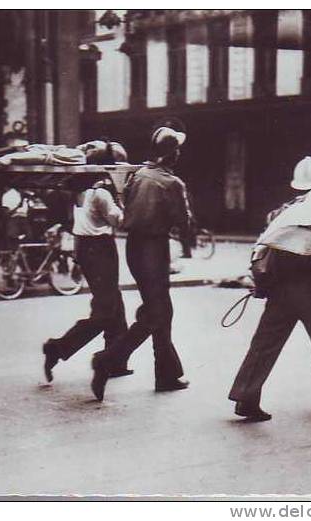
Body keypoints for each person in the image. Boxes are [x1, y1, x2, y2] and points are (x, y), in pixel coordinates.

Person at [228, 156, 311, 421]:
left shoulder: (280, 213)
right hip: (307, 286)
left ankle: (245, 396)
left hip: (279, 290)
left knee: (264, 344)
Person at [90, 126, 192, 400]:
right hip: (153, 249)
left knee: (159, 311)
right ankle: (108, 359)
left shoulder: (138, 175)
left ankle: (167, 374)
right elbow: (184, 221)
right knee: (157, 313)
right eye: (177, 149)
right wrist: (187, 247)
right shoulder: (172, 183)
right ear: (172, 154)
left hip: (134, 249)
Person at [42, 146, 132, 383]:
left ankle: (116, 362)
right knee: (105, 312)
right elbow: (119, 221)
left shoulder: (79, 189)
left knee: (116, 307)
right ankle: (58, 348)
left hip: (85, 248)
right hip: (100, 249)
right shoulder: (101, 193)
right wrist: (123, 199)